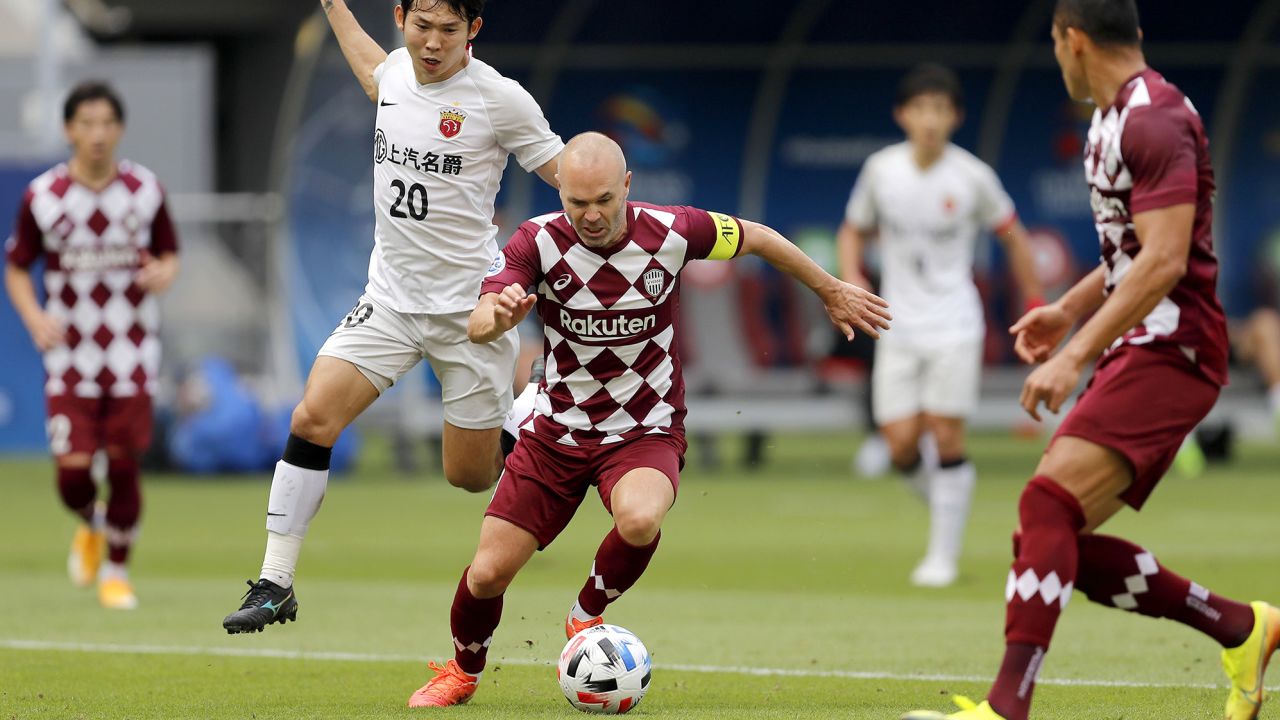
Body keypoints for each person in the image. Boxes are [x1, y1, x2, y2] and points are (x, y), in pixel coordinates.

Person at [405, 132, 891, 707]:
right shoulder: (535, 241)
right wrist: (498, 317)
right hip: (555, 432)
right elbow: (483, 317)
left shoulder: (674, 230)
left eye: (604, 200)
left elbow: (758, 237)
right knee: (487, 575)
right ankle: (461, 672)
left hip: (645, 428)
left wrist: (831, 289)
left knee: (638, 519)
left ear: (628, 187)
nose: (590, 215)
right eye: (576, 202)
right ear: (559, 190)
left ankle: (585, 615)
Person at [903, 2, 1279, 719]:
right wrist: (1069, 312)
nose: (1055, 55)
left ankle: (1007, 708)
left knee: (1045, 505)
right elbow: (1129, 258)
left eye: (1053, 42)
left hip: (1177, 347)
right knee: (1050, 537)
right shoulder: (1111, 121)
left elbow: (1166, 260)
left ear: (1073, 41)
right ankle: (1242, 626)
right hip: (1144, 341)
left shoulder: (1154, 118)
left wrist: (1073, 353)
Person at [221, 0, 563, 633]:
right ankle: (276, 581)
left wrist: (616, 221)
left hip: (471, 314)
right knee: (313, 414)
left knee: (468, 477)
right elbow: (373, 71)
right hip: (390, 303)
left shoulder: (498, 99)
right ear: (402, 17)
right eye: (422, 27)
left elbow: (564, 174)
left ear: (474, 31)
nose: (433, 43)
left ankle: (534, 404)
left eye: (449, 31)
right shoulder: (398, 73)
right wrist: (333, 6)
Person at [837, 63, 1042, 587]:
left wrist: (1036, 301)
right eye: (921, 109)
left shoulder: (971, 176)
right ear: (902, 115)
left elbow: (1014, 236)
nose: (930, 120)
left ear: (955, 117)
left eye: (940, 110)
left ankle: (942, 556)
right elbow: (852, 229)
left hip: (955, 321)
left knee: (947, 435)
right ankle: (948, 510)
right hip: (897, 324)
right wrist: (852, 275)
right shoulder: (882, 170)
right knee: (901, 442)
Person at [4, 81, 181, 610]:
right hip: (70, 357)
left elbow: (170, 254)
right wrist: (35, 318)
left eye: (106, 123)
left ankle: (117, 572)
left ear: (119, 129)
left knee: (124, 463)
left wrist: (162, 273)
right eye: (86, 124)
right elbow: (16, 267)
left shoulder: (145, 190)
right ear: (69, 130)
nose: (97, 135)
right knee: (72, 474)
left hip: (132, 352)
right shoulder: (44, 196)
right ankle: (91, 524)